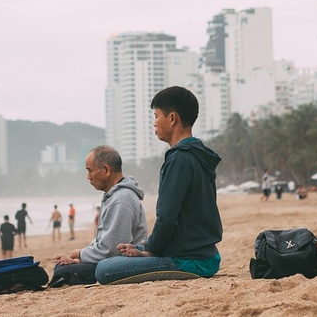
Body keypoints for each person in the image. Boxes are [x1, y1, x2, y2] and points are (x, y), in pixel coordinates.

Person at [95, 86, 223, 284]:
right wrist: (147, 247)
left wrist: (151, 251)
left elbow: (167, 218)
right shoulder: (198, 154)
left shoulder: (179, 159)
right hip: (205, 253)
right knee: (131, 248)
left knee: (104, 269)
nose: (154, 123)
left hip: (190, 260)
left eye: (156, 116)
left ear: (172, 118)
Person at [50, 145, 148, 286]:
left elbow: (112, 249)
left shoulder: (121, 199)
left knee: (62, 271)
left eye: (90, 171)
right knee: (62, 267)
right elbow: (102, 241)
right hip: (111, 258)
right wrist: (80, 258)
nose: (88, 177)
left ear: (106, 170)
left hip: (123, 261)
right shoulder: (114, 196)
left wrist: (80, 254)